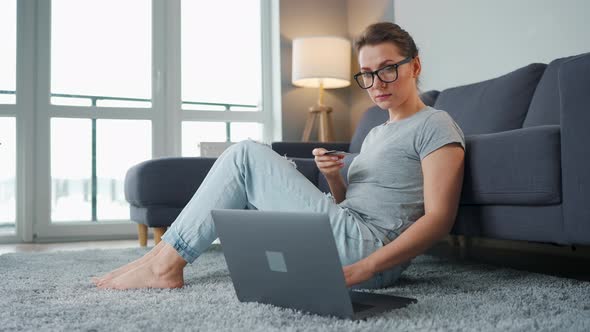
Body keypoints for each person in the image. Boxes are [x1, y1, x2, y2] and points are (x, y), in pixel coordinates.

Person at [93, 22, 465, 290]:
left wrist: (363, 269)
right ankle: (156, 259)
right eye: (366, 74)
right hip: (349, 232)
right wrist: (333, 177)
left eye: (387, 69)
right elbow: (351, 206)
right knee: (246, 182)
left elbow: (438, 218)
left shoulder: (435, 124)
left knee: (245, 156)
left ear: (414, 66)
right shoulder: (375, 132)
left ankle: (164, 265)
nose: (376, 83)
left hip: (371, 253)